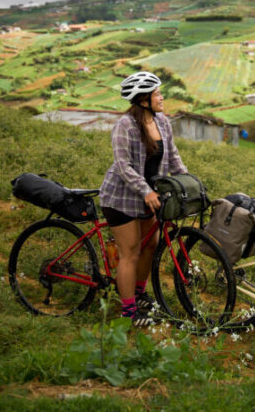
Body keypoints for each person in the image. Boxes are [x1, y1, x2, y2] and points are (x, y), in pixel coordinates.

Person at [98, 71, 187, 325]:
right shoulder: (125, 126)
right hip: (122, 197)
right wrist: (145, 190)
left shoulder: (163, 123)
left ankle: (139, 293)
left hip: (150, 197)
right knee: (131, 252)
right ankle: (129, 312)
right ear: (143, 99)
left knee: (152, 244)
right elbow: (124, 166)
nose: (162, 97)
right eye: (157, 93)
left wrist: (189, 182)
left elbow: (173, 159)